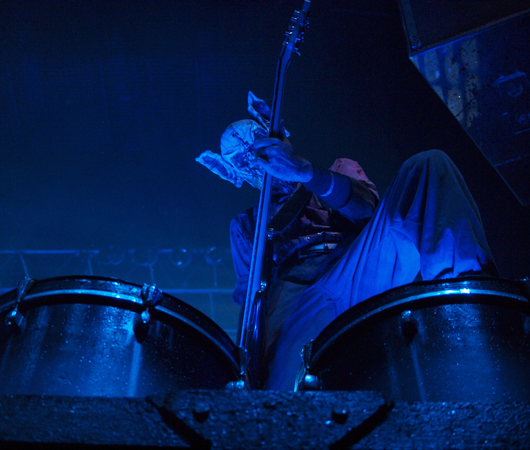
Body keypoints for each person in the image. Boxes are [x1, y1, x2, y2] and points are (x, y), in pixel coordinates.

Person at [196, 92, 498, 390]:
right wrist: (244, 368)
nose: (256, 159)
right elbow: (249, 300)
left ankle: (471, 311)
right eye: (244, 160)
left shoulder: (334, 173)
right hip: (297, 301)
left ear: (282, 137)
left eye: (260, 143)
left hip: (358, 265)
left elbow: (367, 209)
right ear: (234, 174)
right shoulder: (245, 224)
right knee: (282, 397)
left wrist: (305, 172)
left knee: (429, 166)